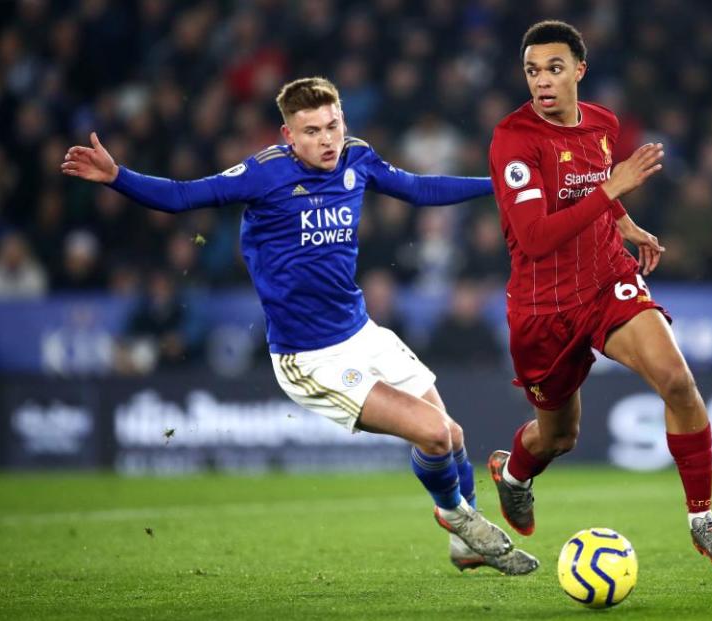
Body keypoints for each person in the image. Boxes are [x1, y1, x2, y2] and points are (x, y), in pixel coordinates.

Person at [61, 76, 537, 575]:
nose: (327, 139)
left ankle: (463, 543)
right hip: (310, 357)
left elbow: (418, 188)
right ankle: (458, 517)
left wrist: (497, 185)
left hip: (362, 332)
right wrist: (118, 176)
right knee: (436, 434)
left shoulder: (357, 157)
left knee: (452, 435)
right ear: (288, 136)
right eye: (311, 131)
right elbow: (183, 196)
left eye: (333, 125)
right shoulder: (263, 174)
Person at [486, 21, 712, 568]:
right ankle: (514, 475)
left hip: (606, 279)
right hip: (542, 307)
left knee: (677, 380)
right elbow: (533, 239)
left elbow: (590, 184)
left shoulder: (602, 122)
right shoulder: (514, 139)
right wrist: (614, 189)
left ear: (579, 70)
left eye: (554, 69)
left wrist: (624, 221)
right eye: (532, 71)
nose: (542, 82)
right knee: (558, 436)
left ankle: (703, 518)